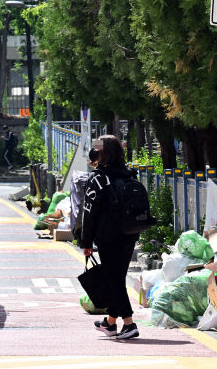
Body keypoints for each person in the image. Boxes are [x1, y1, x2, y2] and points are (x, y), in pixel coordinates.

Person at [81, 134, 141, 339]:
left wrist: (85, 241)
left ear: (101, 154)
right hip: (130, 234)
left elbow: (88, 213)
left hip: (108, 236)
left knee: (114, 279)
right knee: (117, 277)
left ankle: (129, 323)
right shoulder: (129, 176)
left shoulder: (97, 179)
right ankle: (110, 322)